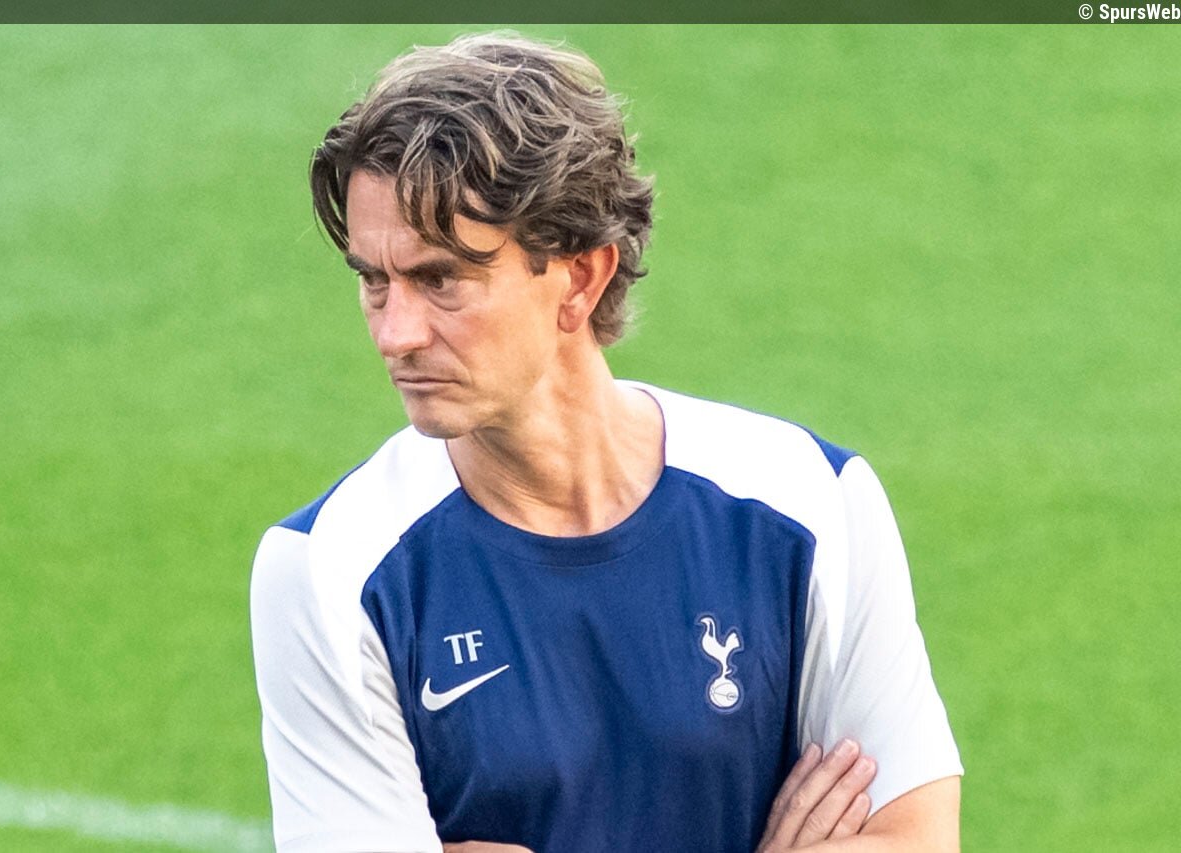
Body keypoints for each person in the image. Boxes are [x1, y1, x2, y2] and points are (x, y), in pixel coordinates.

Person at [250, 31, 963, 853]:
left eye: (441, 278)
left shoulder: (810, 501)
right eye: (374, 281)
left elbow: (914, 840)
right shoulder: (326, 573)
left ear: (580, 277)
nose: (395, 333)